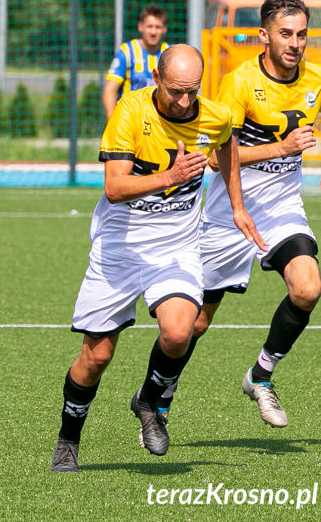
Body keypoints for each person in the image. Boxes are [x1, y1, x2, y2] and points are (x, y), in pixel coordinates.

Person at [51, 45, 263, 473]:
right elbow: (114, 187)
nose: (185, 101)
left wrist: (237, 207)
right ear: (155, 77)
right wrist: (172, 176)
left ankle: (149, 400)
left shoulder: (214, 115)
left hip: (177, 246)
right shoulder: (130, 111)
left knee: (180, 331)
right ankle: (69, 439)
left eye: (192, 91)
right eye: (175, 91)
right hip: (120, 247)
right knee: (96, 358)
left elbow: (228, 148)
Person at [164, 0, 321, 430]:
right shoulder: (239, 83)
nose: (295, 44)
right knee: (195, 322)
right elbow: (220, 158)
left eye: (301, 35)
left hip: (281, 208)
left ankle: (261, 375)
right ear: (264, 36)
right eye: (285, 34)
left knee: (308, 288)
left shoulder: (318, 78)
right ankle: (157, 400)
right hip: (228, 212)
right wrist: (283, 148)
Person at [103, 6, 169, 118]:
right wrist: (113, 125)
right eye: (149, 26)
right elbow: (110, 90)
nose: (153, 32)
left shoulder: (168, 53)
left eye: (158, 27)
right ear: (140, 27)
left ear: (164, 29)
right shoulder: (127, 51)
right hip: (129, 120)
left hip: (158, 123)